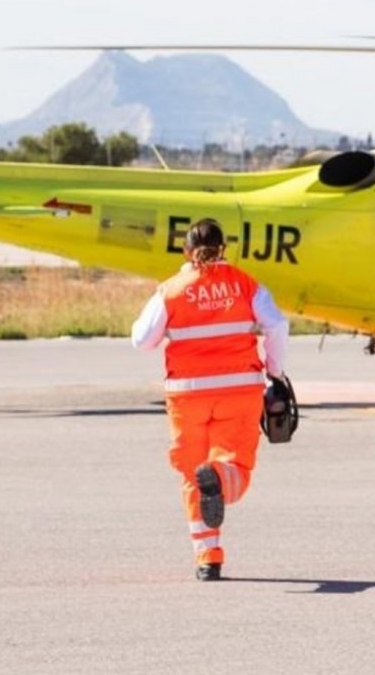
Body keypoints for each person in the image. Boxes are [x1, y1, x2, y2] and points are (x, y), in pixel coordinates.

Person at [130, 218, 289, 581]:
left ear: (186, 251)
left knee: (191, 476)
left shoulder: (170, 291)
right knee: (234, 469)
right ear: (224, 249)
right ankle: (217, 475)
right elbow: (277, 326)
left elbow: (141, 340)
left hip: (188, 395)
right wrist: (275, 373)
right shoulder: (245, 284)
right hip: (239, 389)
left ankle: (208, 556)